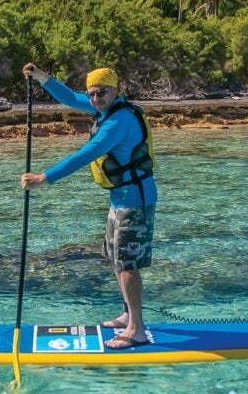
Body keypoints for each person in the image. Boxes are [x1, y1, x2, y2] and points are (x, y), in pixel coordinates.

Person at [19, 62, 159, 349]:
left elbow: (87, 153)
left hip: (136, 200)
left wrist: (44, 178)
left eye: (101, 92)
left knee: (128, 264)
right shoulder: (104, 108)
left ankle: (137, 330)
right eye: (92, 94)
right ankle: (127, 315)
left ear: (115, 90)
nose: (95, 99)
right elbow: (70, 97)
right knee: (115, 258)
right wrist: (41, 76)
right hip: (120, 198)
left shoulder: (120, 121)